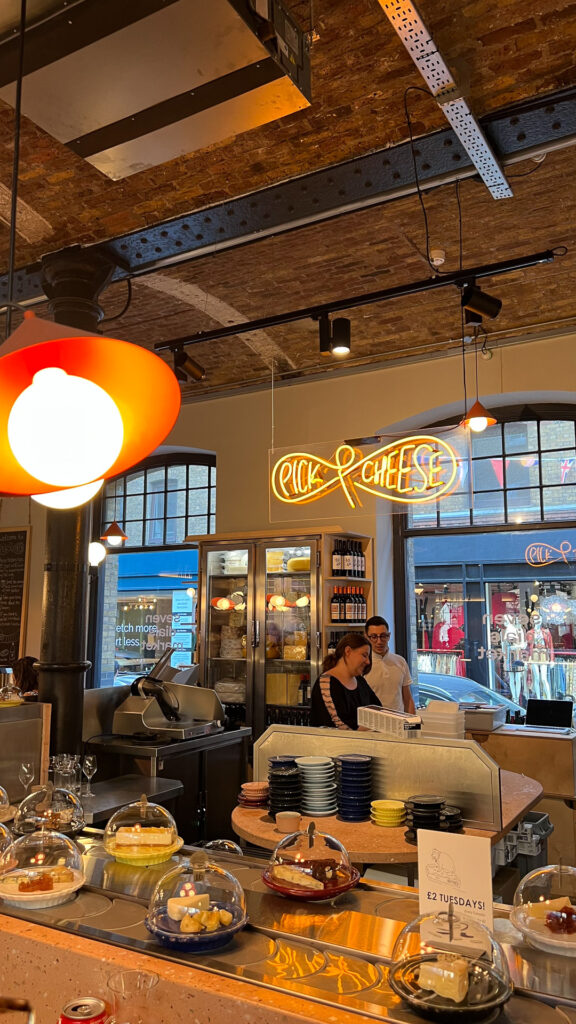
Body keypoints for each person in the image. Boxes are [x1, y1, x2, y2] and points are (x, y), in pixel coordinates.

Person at [310, 632, 380, 730]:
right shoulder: (326, 683)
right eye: (364, 655)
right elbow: (337, 724)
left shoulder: (360, 681)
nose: (368, 661)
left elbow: (377, 709)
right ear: (348, 651)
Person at [364, 616, 415, 714]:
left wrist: (413, 727)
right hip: (371, 725)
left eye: (383, 636)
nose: (379, 641)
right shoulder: (362, 664)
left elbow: (408, 700)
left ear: (389, 636)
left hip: (398, 723)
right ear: (366, 637)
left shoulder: (400, 662)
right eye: (374, 637)